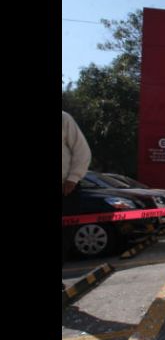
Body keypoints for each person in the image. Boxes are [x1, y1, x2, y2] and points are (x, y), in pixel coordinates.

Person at [62, 111, 92, 288]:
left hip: (65, 189)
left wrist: (73, 177)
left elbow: (82, 150)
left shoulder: (64, 119)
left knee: (63, 236)